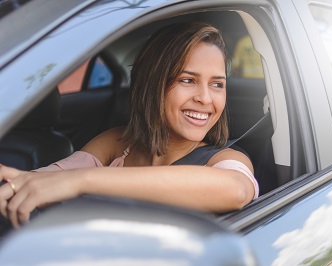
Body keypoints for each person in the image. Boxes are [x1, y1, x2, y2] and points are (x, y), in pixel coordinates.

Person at [0, 21, 259, 228]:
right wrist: (19, 180)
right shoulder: (117, 143)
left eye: (217, 84)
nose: (205, 98)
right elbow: (51, 179)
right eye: (187, 80)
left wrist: (81, 181)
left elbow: (236, 190)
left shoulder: (224, 160)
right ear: (152, 84)